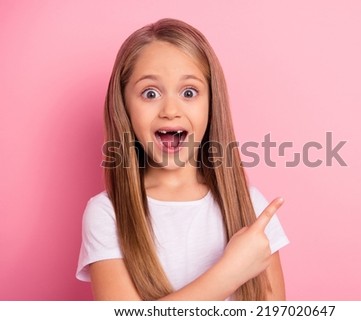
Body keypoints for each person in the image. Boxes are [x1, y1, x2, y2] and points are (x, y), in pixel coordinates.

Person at [76, 18, 289, 301]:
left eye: (189, 92)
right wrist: (231, 273)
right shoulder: (107, 214)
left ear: (212, 103)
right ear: (124, 107)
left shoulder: (249, 207)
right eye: (150, 93)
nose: (170, 110)